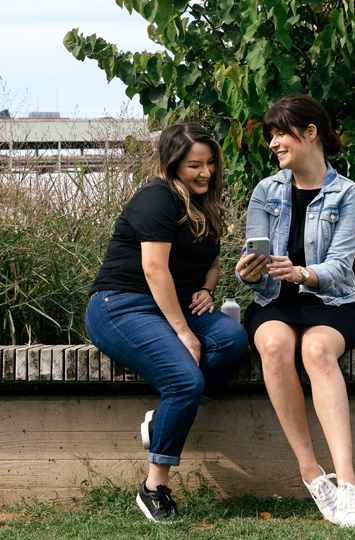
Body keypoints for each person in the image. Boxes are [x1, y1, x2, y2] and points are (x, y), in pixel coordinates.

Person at [85, 123, 248, 522]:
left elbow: (211, 260)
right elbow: (155, 270)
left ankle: (167, 417)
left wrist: (209, 288)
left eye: (210, 164)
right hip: (121, 305)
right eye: (195, 165)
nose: (205, 173)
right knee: (184, 380)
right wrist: (183, 332)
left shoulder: (206, 201)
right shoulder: (157, 198)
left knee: (232, 339)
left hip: (172, 303)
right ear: (172, 164)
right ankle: (154, 486)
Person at [235, 95, 355, 528]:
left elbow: (339, 268)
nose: (273, 143)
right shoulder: (266, 191)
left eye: (280, 133)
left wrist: (301, 273)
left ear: (310, 133)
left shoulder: (346, 193)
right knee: (273, 345)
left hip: (330, 303)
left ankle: (348, 484)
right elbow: (256, 268)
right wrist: (248, 271)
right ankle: (311, 472)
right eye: (271, 135)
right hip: (275, 303)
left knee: (316, 352)